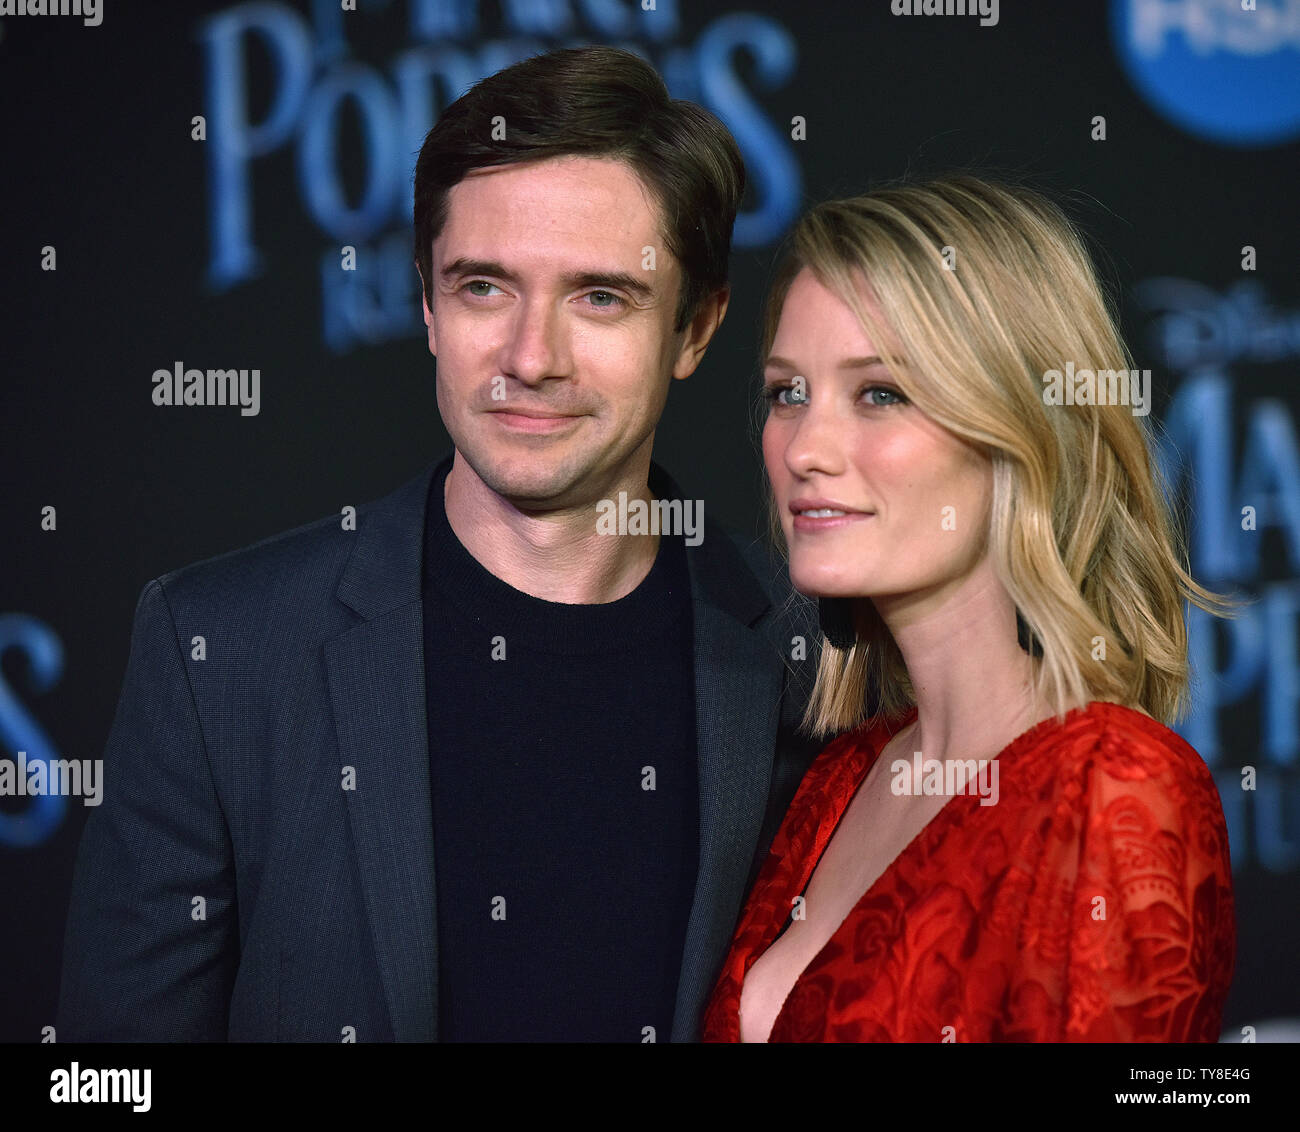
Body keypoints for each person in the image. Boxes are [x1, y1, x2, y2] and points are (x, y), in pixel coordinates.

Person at [57, 45, 823, 1043]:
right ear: (424, 302)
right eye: (483, 288)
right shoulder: (220, 652)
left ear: (693, 328)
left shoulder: (818, 665)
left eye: (599, 296)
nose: (530, 357)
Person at [701, 175, 1239, 1043]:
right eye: (786, 393)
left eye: (880, 393)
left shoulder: (1116, 785)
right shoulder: (839, 781)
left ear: (1019, 433)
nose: (806, 448)